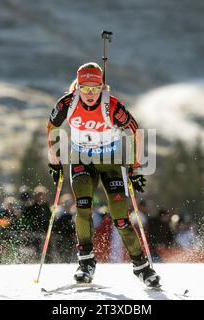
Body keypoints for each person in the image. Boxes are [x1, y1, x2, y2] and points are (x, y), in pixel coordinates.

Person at [46, 62, 160, 287]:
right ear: (77, 86)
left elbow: (135, 131)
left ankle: (142, 267)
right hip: (81, 161)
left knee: (120, 217)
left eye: (95, 88)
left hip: (110, 163)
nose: (90, 94)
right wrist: (55, 160)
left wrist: (135, 166)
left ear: (102, 86)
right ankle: (86, 263)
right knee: (83, 208)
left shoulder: (113, 107)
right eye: (85, 88)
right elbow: (51, 127)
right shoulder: (67, 103)